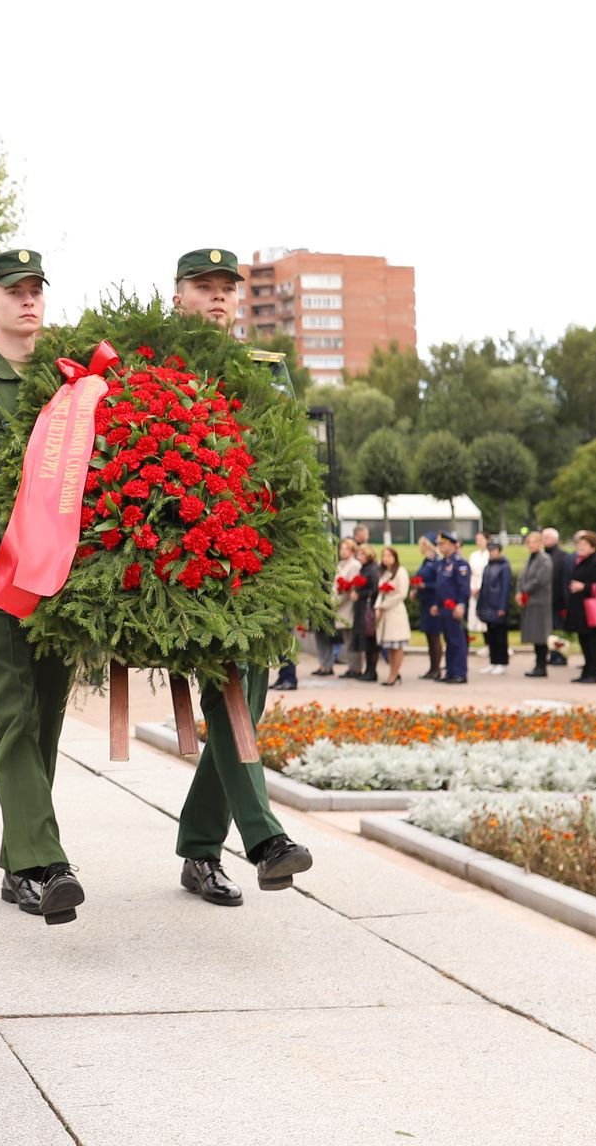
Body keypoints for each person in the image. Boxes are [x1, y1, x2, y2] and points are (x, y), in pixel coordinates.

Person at [167, 248, 312, 908]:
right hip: (181, 565)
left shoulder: (267, 371)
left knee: (245, 699)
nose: (219, 296)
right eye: (204, 286)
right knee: (229, 694)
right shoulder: (152, 368)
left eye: (228, 287)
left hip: (255, 564)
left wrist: (302, 572)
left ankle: (200, 850)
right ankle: (264, 839)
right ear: (178, 297)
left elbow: (295, 474)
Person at [0, 248, 82, 924]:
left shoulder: (72, 380)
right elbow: (16, 472)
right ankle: (45, 865)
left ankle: (19, 860)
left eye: (35, 290)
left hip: (55, 571)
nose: (28, 301)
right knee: (17, 714)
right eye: (13, 291)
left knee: (48, 719)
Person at [566, 530, 596, 685]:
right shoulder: (581, 561)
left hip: (593, 612)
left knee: (595, 644)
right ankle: (587, 672)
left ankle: (595, 674)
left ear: (593, 547)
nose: (580, 547)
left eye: (584, 544)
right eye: (579, 544)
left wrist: (583, 587)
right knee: (585, 643)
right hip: (581, 611)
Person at [432, 531, 472, 684]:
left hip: (454, 607)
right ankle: (450, 671)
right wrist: (437, 604)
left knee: (458, 640)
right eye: (439, 544)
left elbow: (463, 587)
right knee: (449, 640)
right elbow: (440, 586)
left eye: (443, 544)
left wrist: (461, 605)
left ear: (452, 545)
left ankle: (460, 673)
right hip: (444, 607)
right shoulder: (443, 563)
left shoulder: (460, 563)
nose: (440, 547)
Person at [310, 539, 351, 677]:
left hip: (327, 605)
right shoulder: (313, 566)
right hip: (316, 605)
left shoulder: (330, 567)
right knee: (318, 636)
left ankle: (328, 665)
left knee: (326, 636)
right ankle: (323, 664)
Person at [519, 531, 555, 677]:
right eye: (529, 542)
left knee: (541, 634)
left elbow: (540, 579)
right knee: (535, 634)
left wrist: (525, 591)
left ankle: (542, 665)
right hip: (531, 601)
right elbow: (522, 577)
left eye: (535, 542)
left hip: (540, 602)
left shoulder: (545, 559)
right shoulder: (530, 559)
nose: (532, 545)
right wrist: (520, 591)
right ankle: (538, 664)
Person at [375, 546, 411, 686]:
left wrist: (384, 605)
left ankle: (394, 674)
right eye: (384, 556)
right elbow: (380, 593)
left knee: (397, 645)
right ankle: (392, 672)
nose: (386, 558)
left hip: (395, 612)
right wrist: (378, 606)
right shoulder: (385, 573)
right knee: (389, 646)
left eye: (389, 556)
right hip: (384, 614)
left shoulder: (400, 572)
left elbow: (402, 593)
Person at [476, 542, 513, 675]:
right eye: (490, 550)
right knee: (491, 636)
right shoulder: (487, 566)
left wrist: (502, 607)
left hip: (498, 606)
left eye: (494, 550)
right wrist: (479, 606)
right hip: (487, 605)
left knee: (500, 636)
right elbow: (483, 587)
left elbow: (505, 589)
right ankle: (493, 661)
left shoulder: (504, 567)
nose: (492, 552)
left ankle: (502, 662)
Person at [351, 542, 382, 683]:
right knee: (366, 641)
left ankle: (372, 670)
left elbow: (375, 589)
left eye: (362, 554)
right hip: (361, 609)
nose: (359, 556)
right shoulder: (364, 568)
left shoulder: (373, 569)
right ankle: (368, 670)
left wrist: (360, 594)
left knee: (371, 641)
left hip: (368, 609)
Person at [414, 535, 443, 679]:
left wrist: (424, 586)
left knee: (434, 636)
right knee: (429, 637)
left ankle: (437, 668)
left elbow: (440, 584)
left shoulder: (437, 561)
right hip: (425, 601)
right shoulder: (427, 561)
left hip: (433, 602)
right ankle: (432, 668)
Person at [333, 538, 363, 677]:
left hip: (348, 606)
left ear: (352, 550)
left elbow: (350, 587)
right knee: (346, 639)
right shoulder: (340, 564)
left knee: (352, 639)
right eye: (342, 548)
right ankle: (351, 666)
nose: (343, 551)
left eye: (346, 549)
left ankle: (356, 668)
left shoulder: (354, 565)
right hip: (339, 605)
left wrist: (335, 602)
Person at [544, 527, 572, 666]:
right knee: (551, 630)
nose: (544, 540)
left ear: (555, 539)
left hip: (559, 601)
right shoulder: (544, 555)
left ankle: (561, 655)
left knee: (560, 630)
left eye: (547, 537)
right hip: (547, 600)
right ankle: (553, 654)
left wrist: (565, 602)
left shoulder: (563, 556)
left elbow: (564, 580)